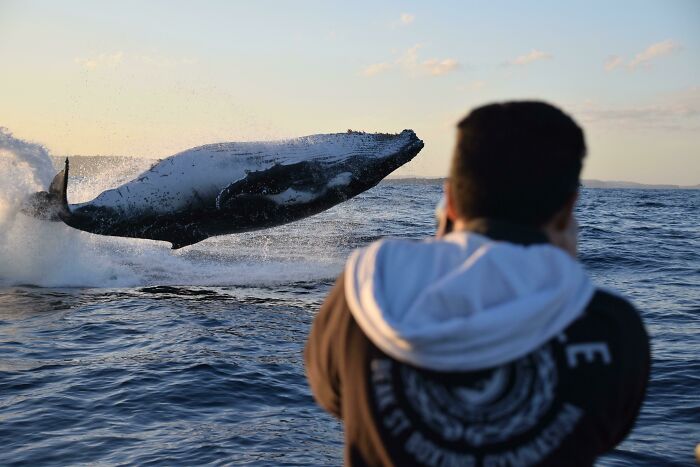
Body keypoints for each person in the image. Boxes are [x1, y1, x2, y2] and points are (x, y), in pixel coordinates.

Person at [304, 101, 650, 466]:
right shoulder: (610, 326)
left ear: (449, 200)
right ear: (570, 206)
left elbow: (334, 397)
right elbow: (608, 429)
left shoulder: (364, 296)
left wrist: (445, 243)